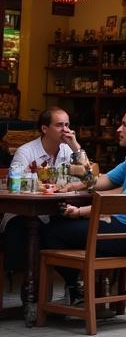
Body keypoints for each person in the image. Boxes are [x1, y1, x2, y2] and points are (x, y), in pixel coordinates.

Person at [44, 107, 126, 303]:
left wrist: (79, 212)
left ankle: (78, 291)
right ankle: (87, 291)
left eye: (125, 125)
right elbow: (95, 181)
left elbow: (125, 204)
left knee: (52, 231)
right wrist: (75, 149)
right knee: (60, 228)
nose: (119, 129)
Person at [1, 107, 90, 274]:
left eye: (67, 125)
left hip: (58, 210)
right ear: (44, 128)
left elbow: (88, 177)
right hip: (25, 212)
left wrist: (76, 147)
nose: (66, 130)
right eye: (59, 125)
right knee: (30, 228)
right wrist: (36, 180)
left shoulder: (69, 149)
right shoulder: (26, 151)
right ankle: (31, 280)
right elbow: (13, 183)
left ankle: (73, 284)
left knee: (73, 228)